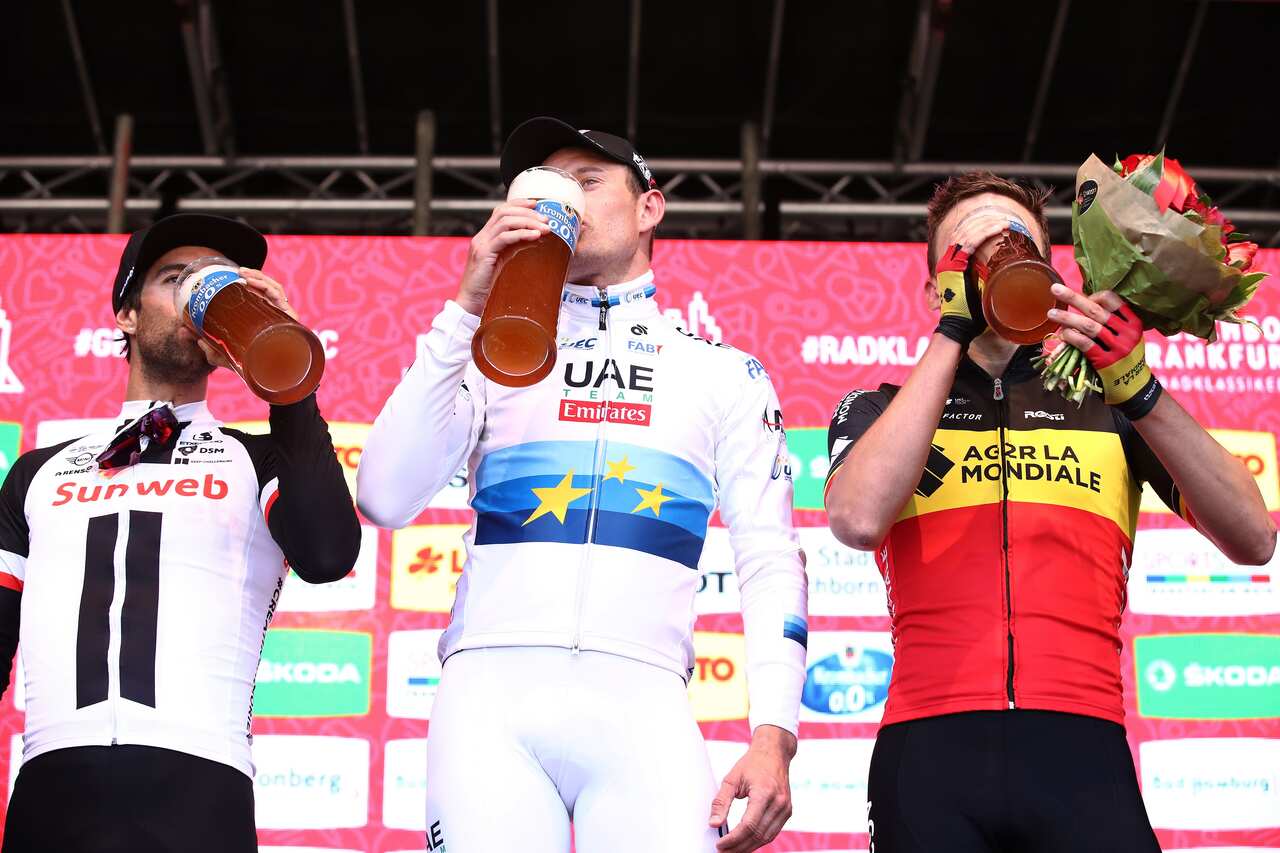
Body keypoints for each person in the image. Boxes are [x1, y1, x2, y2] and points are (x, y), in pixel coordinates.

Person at [358, 117, 808, 853]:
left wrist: (775, 734)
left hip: (646, 703)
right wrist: (466, 307)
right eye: (543, 186)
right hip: (490, 700)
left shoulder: (722, 372)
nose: (559, 199)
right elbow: (382, 494)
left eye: (587, 181)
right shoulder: (486, 350)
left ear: (649, 209)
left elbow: (769, 559)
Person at [823, 171, 1277, 853]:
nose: (991, 262)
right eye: (965, 253)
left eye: (1011, 242)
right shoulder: (881, 408)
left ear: (1046, 266)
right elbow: (857, 519)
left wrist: (1140, 389)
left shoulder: (1110, 403)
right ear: (933, 289)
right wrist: (952, 331)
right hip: (929, 749)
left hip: (1083, 746)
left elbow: (1255, 538)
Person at [0, 213, 362, 853]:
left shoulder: (257, 460)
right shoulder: (37, 470)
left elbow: (329, 554)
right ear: (127, 314)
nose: (201, 292)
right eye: (176, 278)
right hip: (53, 783)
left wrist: (282, 369)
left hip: (200, 786)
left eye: (221, 281)